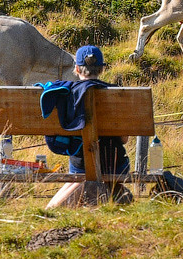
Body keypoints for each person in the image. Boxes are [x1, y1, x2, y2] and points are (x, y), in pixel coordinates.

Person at [45, 45, 132, 209]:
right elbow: (124, 139)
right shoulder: (117, 94)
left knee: (81, 175)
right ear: (101, 69)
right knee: (86, 176)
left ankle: (52, 210)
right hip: (115, 165)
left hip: (80, 164)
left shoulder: (67, 94)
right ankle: (115, 194)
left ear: (77, 68)